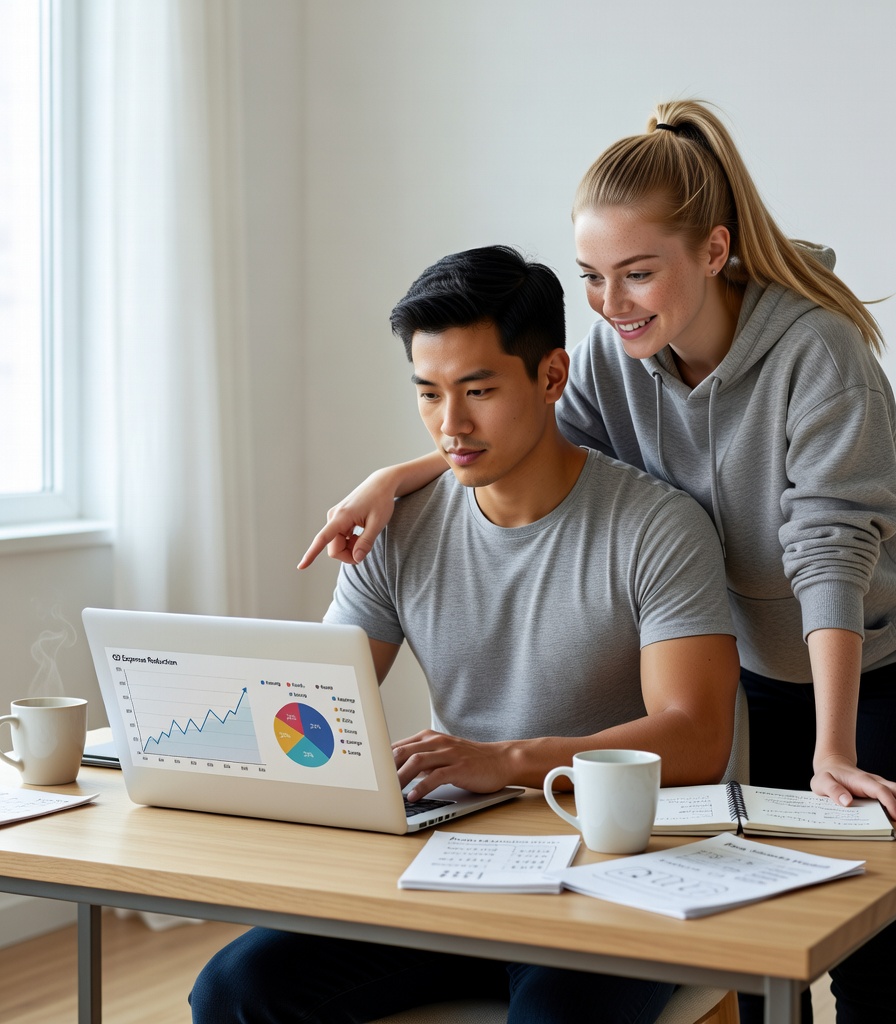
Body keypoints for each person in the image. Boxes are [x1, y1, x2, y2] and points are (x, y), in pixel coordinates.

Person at [298, 102, 896, 1024]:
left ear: (713, 250)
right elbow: (527, 431)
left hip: (884, 653)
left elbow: (829, 548)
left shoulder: (816, 351)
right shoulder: (621, 355)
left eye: (637, 273)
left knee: (859, 921)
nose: (613, 303)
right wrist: (394, 475)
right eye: (593, 278)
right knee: (768, 917)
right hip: (755, 659)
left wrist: (832, 746)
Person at [193, 244, 740, 1024]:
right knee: (234, 990)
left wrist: (504, 762)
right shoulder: (399, 528)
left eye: (478, 390)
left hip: (612, 875)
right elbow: (313, 707)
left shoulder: (657, 528)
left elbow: (697, 738)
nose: (451, 425)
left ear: (552, 377)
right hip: (454, 867)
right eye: (428, 393)